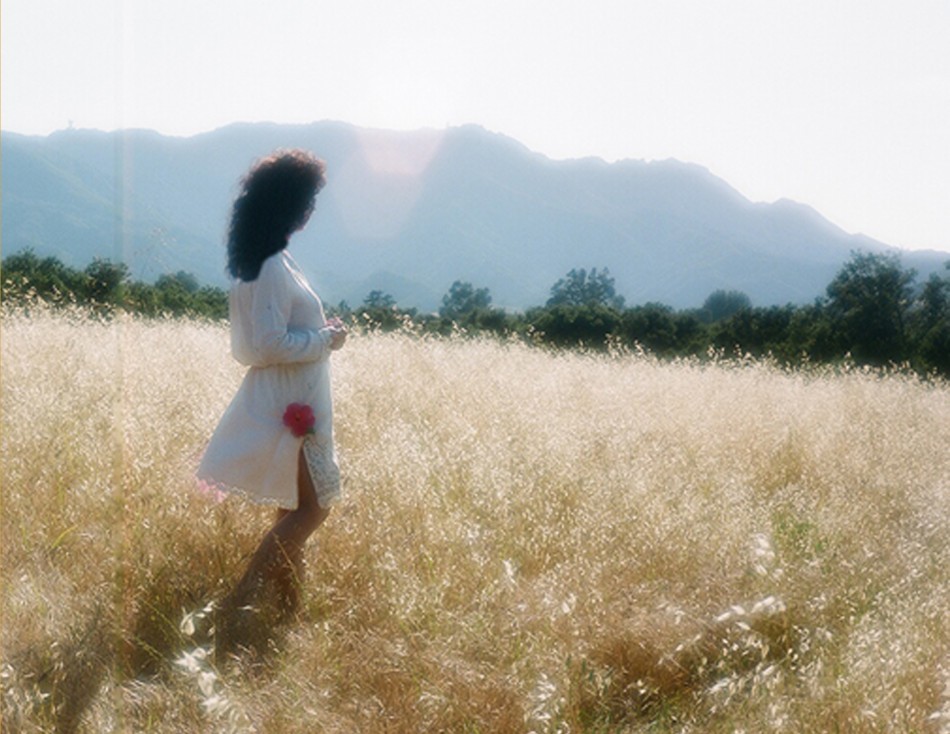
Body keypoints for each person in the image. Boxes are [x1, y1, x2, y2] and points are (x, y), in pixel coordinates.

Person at [197, 149, 347, 637]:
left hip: (293, 398)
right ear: (288, 204)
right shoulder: (269, 266)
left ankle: (288, 616)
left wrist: (319, 334)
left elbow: (265, 340)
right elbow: (263, 346)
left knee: (292, 509)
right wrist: (326, 339)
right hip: (290, 405)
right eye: (308, 200)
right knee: (313, 508)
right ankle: (239, 603)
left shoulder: (267, 260)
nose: (312, 210)